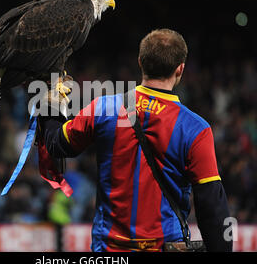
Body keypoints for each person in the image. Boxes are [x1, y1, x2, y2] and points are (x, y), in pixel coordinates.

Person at [39, 28, 232, 252]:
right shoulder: (196, 129)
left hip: (108, 250)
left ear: (140, 62)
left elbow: (56, 145)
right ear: (180, 69)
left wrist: (50, 102)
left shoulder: (104, 108)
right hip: (165, 246)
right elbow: (212, 206)